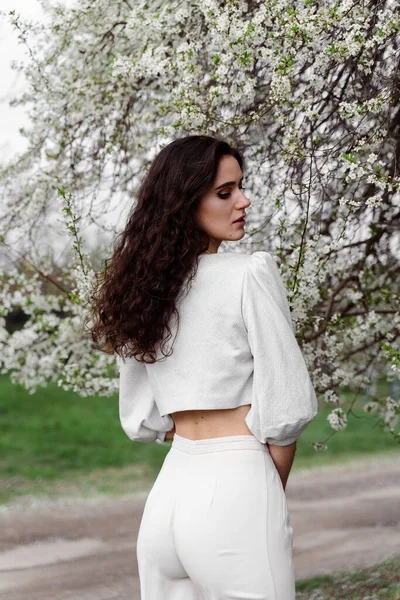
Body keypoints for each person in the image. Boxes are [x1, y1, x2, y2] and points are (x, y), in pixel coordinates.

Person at [90, 135, 318, 599]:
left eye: (240, 187)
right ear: (183, 203)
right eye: (224, 192)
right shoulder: (246, 274)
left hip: (168, 497)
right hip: (235, 485)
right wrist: (263, 491)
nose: (244, 200)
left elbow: (143, 416)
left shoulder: (141, 293)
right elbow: (286, 412)